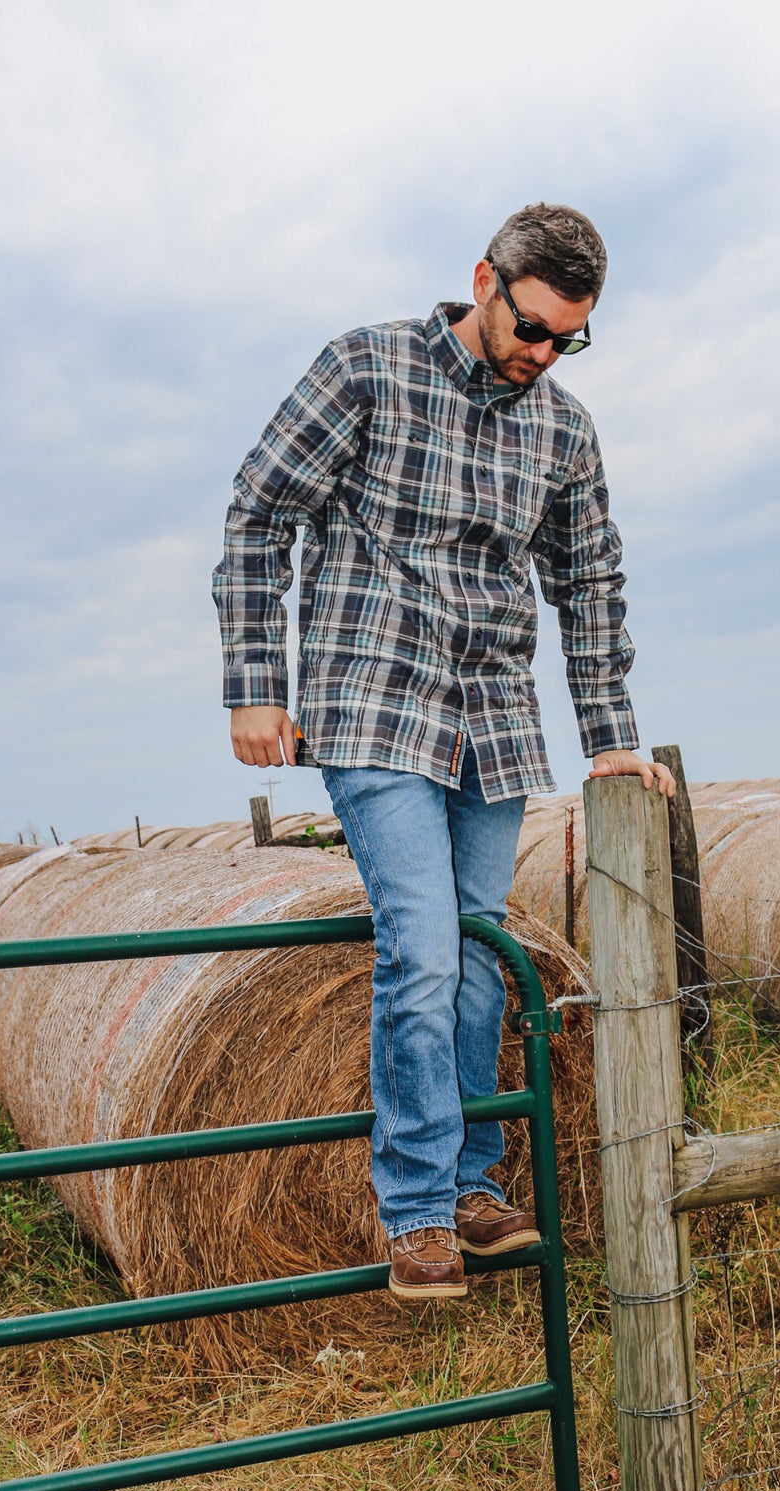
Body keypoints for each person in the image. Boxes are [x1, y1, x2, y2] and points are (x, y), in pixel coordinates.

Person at [213, 202, 673, 1303]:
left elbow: (590, 581)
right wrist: (256, 687)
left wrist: (610, 736)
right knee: (421, 949)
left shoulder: (564, 431)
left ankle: (474, 1187)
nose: (543, 354)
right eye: (532, 328)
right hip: (373, 703)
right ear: (484, 282)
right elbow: (258, 514)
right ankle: (417, 1212)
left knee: (477, 962)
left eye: (569, 340)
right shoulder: (365, 369)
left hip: (494, 722)